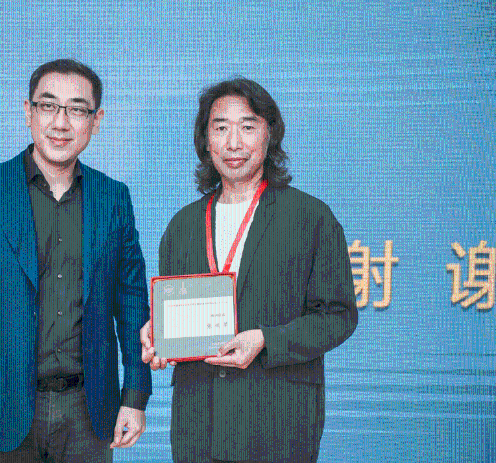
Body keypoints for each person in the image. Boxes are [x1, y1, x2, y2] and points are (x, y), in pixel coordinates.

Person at [0, 59, 152, 462]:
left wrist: (135, 395)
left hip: (89, 412)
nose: (60, 123)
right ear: (28, 112)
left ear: (96, 120)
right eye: (48, 106)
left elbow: (132, 304)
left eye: (77, 109)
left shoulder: (113, 198)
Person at [141, 78, 358, 463]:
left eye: (247, 126)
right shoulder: (183, 226)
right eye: (220, 128)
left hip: (277, 422)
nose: (233, 142)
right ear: (206, 140)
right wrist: (158, 334)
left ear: (269, 133)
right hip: (199, 425)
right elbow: (176, 314)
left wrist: (266, 340)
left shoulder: (310, 218)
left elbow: (338, 316)